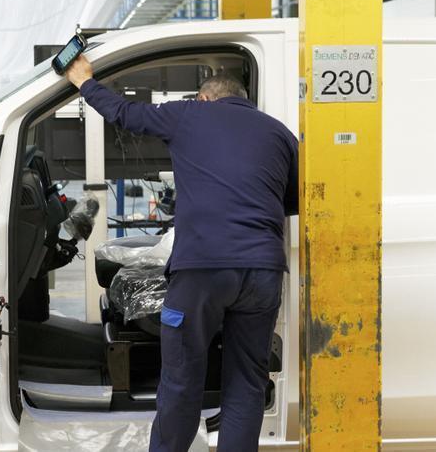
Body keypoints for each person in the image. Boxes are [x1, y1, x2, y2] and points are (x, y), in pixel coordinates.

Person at [65, 56, 298, 452]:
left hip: (203, 270)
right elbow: (290, 199)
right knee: (246, 380)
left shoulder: (190, 114)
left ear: (206, 97)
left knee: (183, 377)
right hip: (262, 271)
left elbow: (124, 113)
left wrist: (85, 82)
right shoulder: (280, 133)